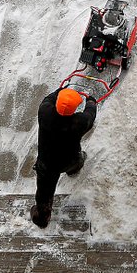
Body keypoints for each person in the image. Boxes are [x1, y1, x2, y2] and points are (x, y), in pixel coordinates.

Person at [30, 87, 97, 228]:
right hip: (68, 160)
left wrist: (59, 91)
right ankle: (73, 170)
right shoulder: (79, 122)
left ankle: (42, 215)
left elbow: (47, 99)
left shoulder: (45, 112)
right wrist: (91, 102)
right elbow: (90, 115)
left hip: (46, 163)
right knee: (78, 161)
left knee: (44, 192)